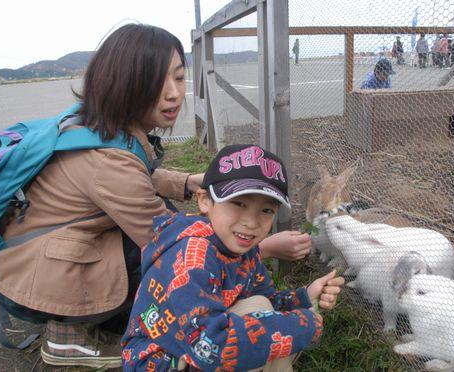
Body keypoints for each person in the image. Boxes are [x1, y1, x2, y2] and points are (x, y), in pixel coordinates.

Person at [0, 23, 311, 369]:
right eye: (157, 81)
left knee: (168, 222)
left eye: (177, 77)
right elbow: (173, 249)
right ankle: (69, 336)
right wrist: (264, 246)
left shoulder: (96, 125)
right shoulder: (110, 165)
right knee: (170, 240)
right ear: (124, 83)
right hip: (36, 279)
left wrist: (187, 181)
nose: (174, 93)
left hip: (26, 253)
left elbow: (135, 174)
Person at [121, 144, 345, 371]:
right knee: (267, 332)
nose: (252, 222)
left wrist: (305, 297)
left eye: (266, 210)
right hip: (159, 360)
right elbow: (212, 346)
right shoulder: (192, 258)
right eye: (239, 203)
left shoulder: (243, 250)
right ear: (205, 201)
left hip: (188, 346)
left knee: (261, 307)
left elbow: (268, 300)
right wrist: (303, 326)